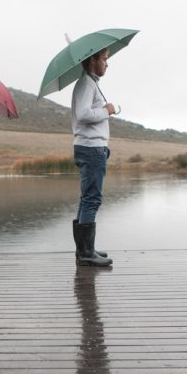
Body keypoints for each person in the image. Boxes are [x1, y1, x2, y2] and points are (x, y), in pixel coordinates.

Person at [72, 48, 114, 266]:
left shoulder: (89, 83)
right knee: (92, 199)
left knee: (87, 198)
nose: (107, 64)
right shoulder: (87, 83)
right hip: (91, 149)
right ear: (93, 60)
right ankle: (86, 254)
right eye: (105, 59)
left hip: (91, 148)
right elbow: (83, 114)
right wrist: (107, 111)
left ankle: (85, 250)